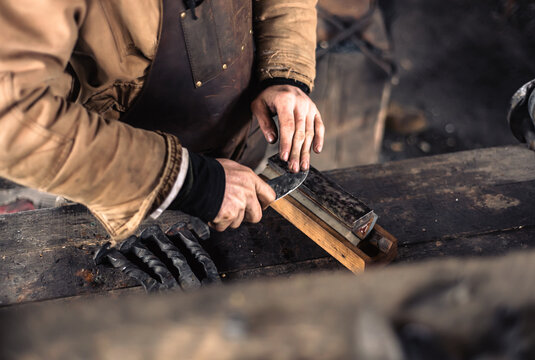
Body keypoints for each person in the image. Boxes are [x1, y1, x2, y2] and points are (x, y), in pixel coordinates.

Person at [0, 0, 324, 240]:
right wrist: (183, 181)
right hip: (118, 184)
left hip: (238, 156)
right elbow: (11, 118)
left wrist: (284, 74)